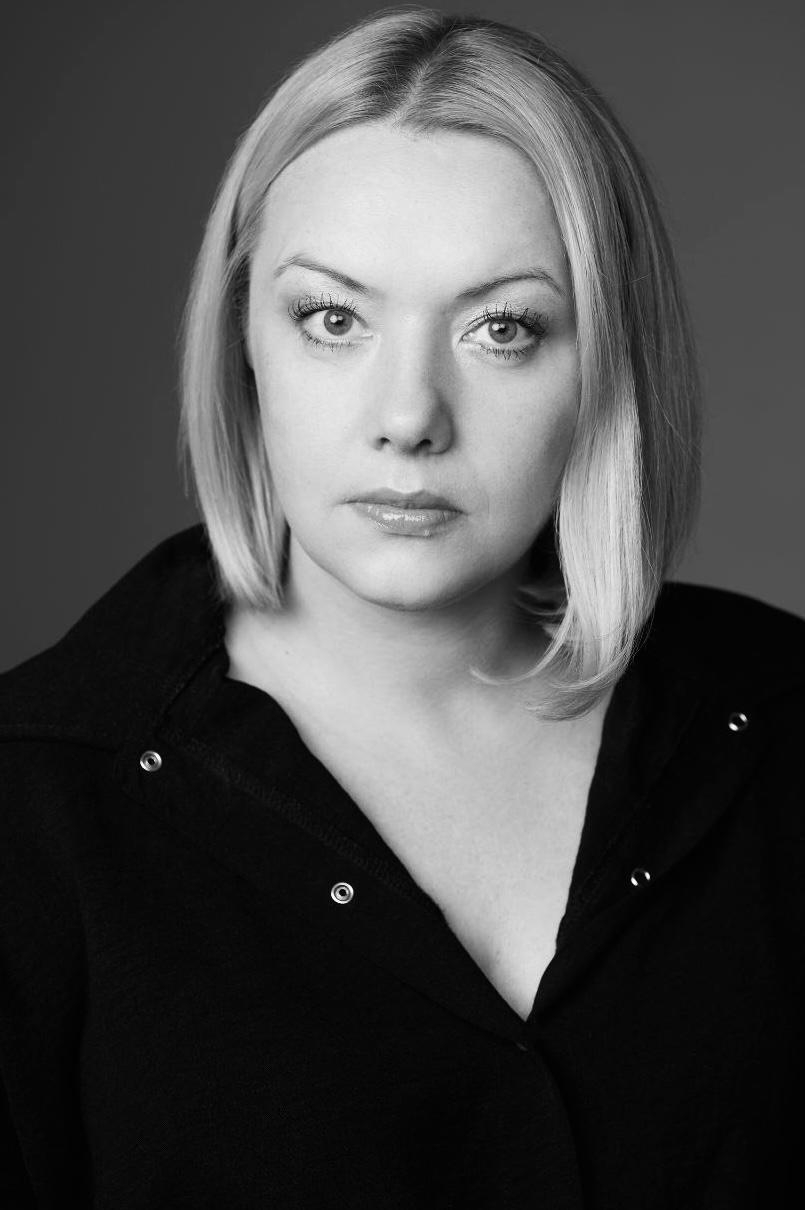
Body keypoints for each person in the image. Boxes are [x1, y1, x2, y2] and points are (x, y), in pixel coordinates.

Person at [1, 6, 802, 1207]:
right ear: (242, 345)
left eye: (502, 328)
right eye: (334, 319)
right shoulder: (33, 808)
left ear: (605, 362)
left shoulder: (778, 723)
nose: (409, 416)